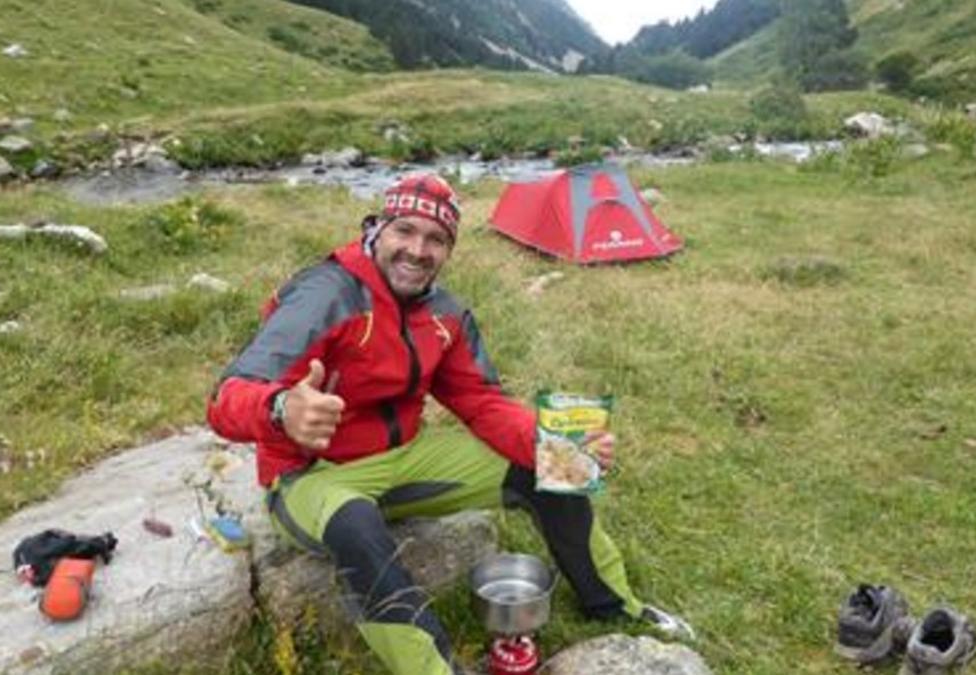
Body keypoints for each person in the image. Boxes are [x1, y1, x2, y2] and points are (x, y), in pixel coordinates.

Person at [207, 173, 692, 674]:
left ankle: (613, 605)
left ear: (449, 250)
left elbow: (481, 401)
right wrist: (282, 409)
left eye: (435, 239)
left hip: (404, 459)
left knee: (553, 463)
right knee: (355, 524)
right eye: (404, 231)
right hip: (311, 476)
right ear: (377, 229)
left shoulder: (445, 313)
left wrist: (559, 442)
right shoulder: (325, 294)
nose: (417, 250)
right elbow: (226, 399)